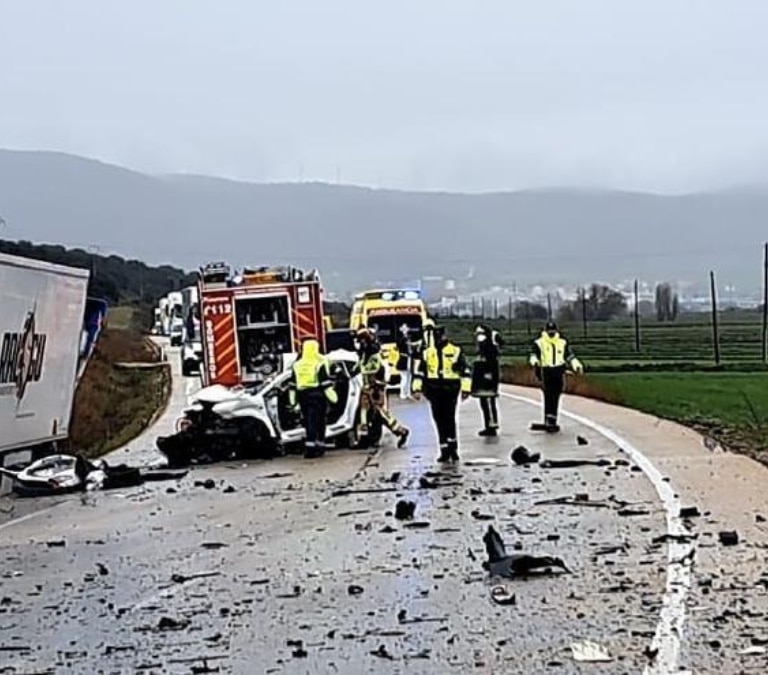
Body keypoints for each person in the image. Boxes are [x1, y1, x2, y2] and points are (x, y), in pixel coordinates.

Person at [412, 324, 472, 462]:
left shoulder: (455, 350)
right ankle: (444, 449)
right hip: (434, 388)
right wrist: (416, 388)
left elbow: (465, 371)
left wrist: (466, 389)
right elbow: (420, 372)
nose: (439, 339)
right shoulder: (428, 353)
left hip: (450, 388)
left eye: (440, 336)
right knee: (438, 419)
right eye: (436, 336)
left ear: (445, 336)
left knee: (449, 419)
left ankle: (453, 448)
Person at [355, 328, 410, 447]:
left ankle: (401, 431)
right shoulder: (365, 353)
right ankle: (365, 438)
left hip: (374, 389)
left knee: (381, 413)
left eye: (361, 341)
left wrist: (376, 387)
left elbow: (378, 372)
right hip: (366, 389)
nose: (359, 344)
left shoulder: (374, 354)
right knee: (365, 414)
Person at [528, 320, 583, 432]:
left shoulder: (562, 342)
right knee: (548, 395)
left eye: (553, 330)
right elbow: (533, 355)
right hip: (546, 370)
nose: (551, 333)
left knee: (556, 395)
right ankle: (548, 419)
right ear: (546, 331)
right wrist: (534, 362)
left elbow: (569, 356)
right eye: (549, 331)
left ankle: (553, 419)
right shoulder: (539, 342)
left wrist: (576, 365)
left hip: (558, 370)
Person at [288, 338, 338, 457]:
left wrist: (292, 401)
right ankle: (318, 446)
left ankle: (311, 446)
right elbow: (325, 383)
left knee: (308, 421)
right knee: (319, 422)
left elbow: (292, 385)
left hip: (303, 397)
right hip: (317, 396)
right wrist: (334, 398)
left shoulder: (297, 365)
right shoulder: (318, 364)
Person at [471, 324, 505, 436]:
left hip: (488, 375)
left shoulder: (489, 346)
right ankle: (488, 424)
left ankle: (492, 425)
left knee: (489, 400)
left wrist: (488, 374)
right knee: (484, 401)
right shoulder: (483, 345)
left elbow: (491, 361)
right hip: (483, 374)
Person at [396, 323, 412, 400]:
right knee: (404, 378)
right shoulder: (400, 339)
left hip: (409, 359)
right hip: (403, 360)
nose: (406, 330)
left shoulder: (408, 338)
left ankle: (408, 393)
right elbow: (400, 345)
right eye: (404, 329)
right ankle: (402, 393)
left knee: (409, 378)